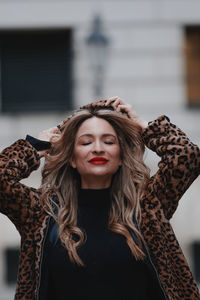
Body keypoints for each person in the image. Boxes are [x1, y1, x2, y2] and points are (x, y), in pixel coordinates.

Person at [0, 96, 199, 300]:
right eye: (86, 142)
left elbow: (187, 156)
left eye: (109, 141)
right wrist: (36, 146)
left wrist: (143, 125)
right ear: (72, 158)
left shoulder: (147, 205)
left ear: (121, 157)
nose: (97, 148)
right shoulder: (41, 212)